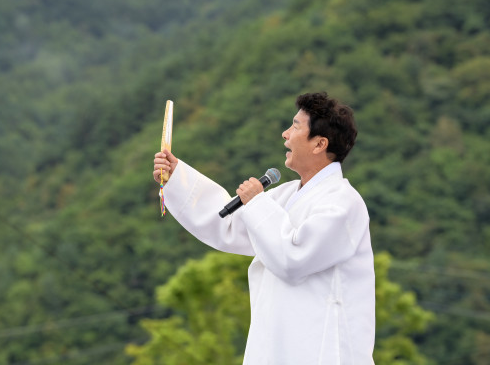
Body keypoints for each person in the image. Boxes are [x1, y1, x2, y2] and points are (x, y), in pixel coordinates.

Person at [153, 92, 375, 364]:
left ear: (319, 144)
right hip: (277, 348)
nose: (285, 134)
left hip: (323, 352)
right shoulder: (287, 194)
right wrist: (177, 177)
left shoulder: (343, 202)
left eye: (295, 126)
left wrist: (257, 202)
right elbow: (227, 223)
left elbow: (292, 259)